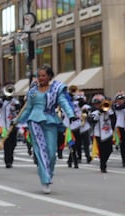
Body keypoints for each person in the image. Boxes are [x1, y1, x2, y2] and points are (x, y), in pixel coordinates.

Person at [14, 65, 79, 193]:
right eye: (39, 76)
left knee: (51, 152)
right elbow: (27, 108)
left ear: (49, 76)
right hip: (35, 121)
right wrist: (18, 120)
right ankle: (45, 180)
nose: (41, 78)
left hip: (51, 121)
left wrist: (71, 115)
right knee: (40, 150)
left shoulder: (55, 90)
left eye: (43, 75)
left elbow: (64, 102)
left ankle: (49, 174)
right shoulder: (32, 92)